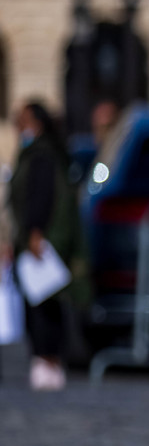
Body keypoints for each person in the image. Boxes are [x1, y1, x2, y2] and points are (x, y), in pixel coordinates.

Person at [6, 101, 86, 391]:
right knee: (44, 301)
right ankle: (47, 359)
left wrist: (35, 232)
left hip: (41, 238)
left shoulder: (41, 155)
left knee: (42, 303)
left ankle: (47, 359)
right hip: (40, 237)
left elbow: (39, 196)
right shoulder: (45, 152)